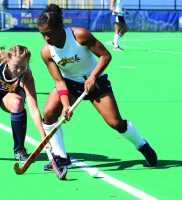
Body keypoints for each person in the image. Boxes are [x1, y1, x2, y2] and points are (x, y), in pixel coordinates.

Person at [36, 4, 158, 171]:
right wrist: (65, 105)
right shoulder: (46, 52)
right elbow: (59, 82)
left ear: (59, 27)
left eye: (49, 34)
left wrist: (93, 76)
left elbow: (105, 56)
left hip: (96, 81)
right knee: (49, 113)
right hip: (70, 84)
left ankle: (141, 145)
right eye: (43, 35)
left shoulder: (79, 35)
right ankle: (62, 157)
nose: (46, 39)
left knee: (115, 123)